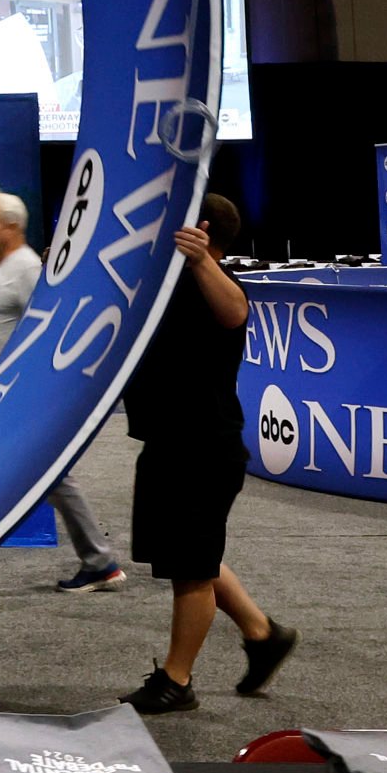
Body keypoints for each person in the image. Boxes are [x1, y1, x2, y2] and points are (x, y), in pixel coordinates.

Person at [117, 194, 297, 714]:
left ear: (199, 231)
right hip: (169, 441)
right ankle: (263, 635)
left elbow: (236, 310)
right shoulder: (167, 284)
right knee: (192, 554)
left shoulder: (213, 281)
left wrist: (200, 259)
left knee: (190, 568)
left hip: (202, 446)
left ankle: (177, 680)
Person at [0, 191, 125, 596]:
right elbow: (1, 331)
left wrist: (32, 395)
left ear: (11, 227)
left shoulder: (26, 269)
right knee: (52, 479)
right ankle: (99, 562)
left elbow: (47, 336)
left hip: (15, 401)